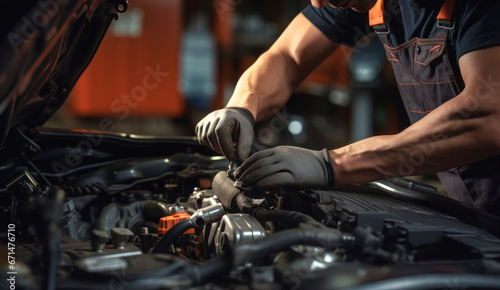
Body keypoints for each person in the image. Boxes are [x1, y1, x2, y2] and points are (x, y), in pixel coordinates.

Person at [195, 0, 500, 216]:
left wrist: (331, 165)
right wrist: (241, 107)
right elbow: (288, 56)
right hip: (472, 212)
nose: (318, 2)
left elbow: (488, 115)